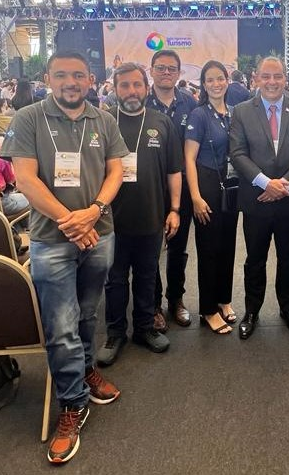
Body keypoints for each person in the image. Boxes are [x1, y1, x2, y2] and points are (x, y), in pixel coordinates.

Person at [0, 51, 128, 463]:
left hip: (99, 234)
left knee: (88, 314)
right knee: (59, 325)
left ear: (91, 80)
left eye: (78, 75)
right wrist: (69, 219)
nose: (70, 82)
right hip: (50, 240)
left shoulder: (103, 120)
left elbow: (115, 171)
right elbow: (25, 178)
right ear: (48, 79)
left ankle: (86, 369)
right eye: (62, 75)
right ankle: (72, 403)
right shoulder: (28, 118)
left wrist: (94, 212)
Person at [96, 63, 183, 366]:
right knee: (115, 280)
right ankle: (115, 332)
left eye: (137, 85)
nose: (131, 91)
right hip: (111, 221)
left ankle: (145, 328)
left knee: (147, 277)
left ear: (146, 88)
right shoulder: (104, 123)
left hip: (151, 217)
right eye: (124, 85)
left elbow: (174, 170)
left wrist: (174, 209)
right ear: (115, 88)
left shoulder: (161, 122)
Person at [230, 56, 289, 339]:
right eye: (265, 76)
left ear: (285, 79)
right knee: (254, 259)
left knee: (288, 259)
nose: (271, 82)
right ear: (255, 78)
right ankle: (252, 311)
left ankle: (288, 309)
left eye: (277, 76)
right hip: (256, 201)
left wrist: (283, 185)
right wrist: (266, 183)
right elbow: (238, 153)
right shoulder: (242, 111)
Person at [185, 61, 239, 334]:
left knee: (228, 246)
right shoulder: (199, 114)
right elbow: (189, 159)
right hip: (206, 185)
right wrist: (195, 195)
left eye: (220, 78)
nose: (216, 84)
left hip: (230, 187)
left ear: (227, 80)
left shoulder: (233, 113)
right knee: (208, 249)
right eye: (210, 80)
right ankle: (208, 309)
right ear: (204, 85)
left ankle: (224, 299)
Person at [146, 50, 197, 329]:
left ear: (179, 73)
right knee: (151, 249)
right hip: (149, 189)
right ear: (151, 70)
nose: (166, 72)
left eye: (171, 69)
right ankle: (153, 306)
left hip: (183, 190)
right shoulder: (139, 102)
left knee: (178, 248)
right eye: (161, 68)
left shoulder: (190, 103)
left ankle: (176, 300)